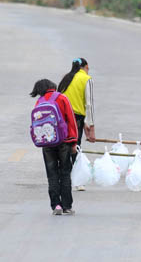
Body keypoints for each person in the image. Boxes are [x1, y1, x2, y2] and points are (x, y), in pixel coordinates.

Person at [30, 79, 78, 215]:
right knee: (65, 173)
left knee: (52, 175)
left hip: (47, 143)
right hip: (64, 141)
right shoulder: (62, 98)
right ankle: (67, 206)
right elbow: (71, 119)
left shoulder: (39, 102)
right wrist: (74, 142)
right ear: (52, 86)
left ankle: (56, 205)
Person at [58, 58, 96, 191]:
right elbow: (89, 104)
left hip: (61, 117)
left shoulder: (65, 78)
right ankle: (77, 180)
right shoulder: (86, 79)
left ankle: (63, 176)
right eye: (88, 68)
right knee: (75, 146)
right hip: (76, 118)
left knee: (63, 146)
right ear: (84, 67)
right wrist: (90, 126)